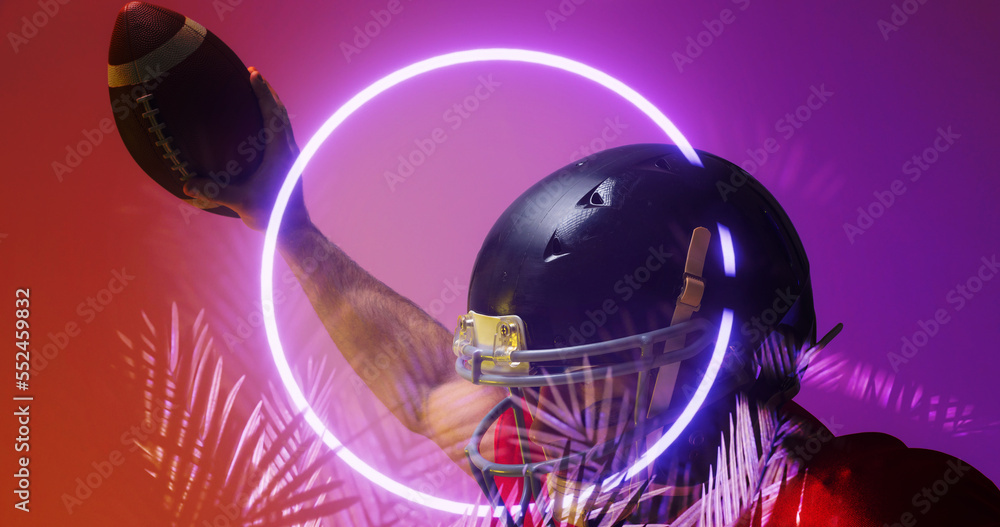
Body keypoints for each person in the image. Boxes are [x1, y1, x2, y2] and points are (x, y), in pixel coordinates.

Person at [182, 68, 1000, 526]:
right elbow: (431, 384)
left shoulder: (847, 505)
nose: (520, 407)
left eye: (556, 375)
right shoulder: (590, 478)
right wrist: (283, 222)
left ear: (688, 358)